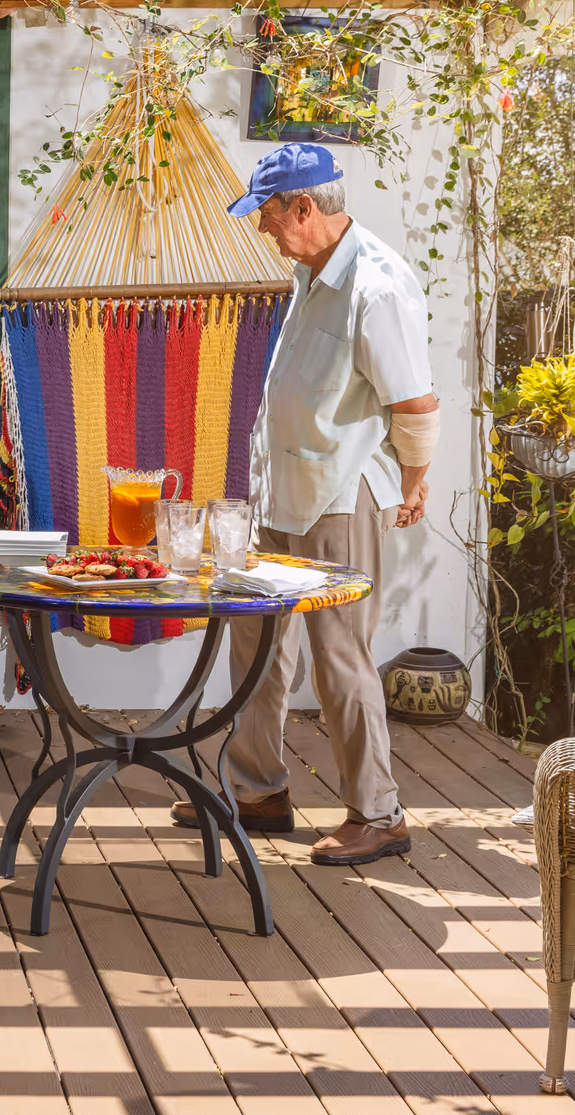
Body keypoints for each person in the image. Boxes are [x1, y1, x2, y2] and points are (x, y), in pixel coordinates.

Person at [169, 142, 441, 867]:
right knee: (255, 638)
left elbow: (413, 402)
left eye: (267, 214)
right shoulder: (309, 273)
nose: (262, 228)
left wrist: (414, 482)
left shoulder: (376, 286)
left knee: (340, 656)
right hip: (278, 493)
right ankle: (259, 790)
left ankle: (379, 814)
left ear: (304, 207)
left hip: (338, 495)